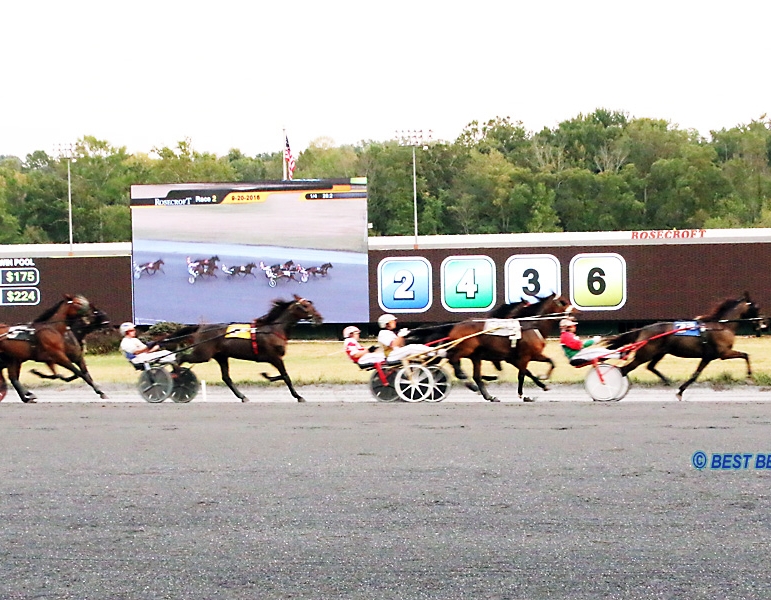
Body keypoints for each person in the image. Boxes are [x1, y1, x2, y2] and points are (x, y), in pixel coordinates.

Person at [376, 314, 443, 363]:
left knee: (414, 347)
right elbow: (394, 345)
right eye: (392, 321)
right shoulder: (383, 333)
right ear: (386, 324)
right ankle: (435, 352)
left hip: (396, 353)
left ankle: (432, 352)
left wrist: (404, 336)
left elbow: (401, 345)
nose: (395, 322)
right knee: (411, 347)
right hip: (391, 355)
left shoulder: (390, 332)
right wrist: (400, 335)